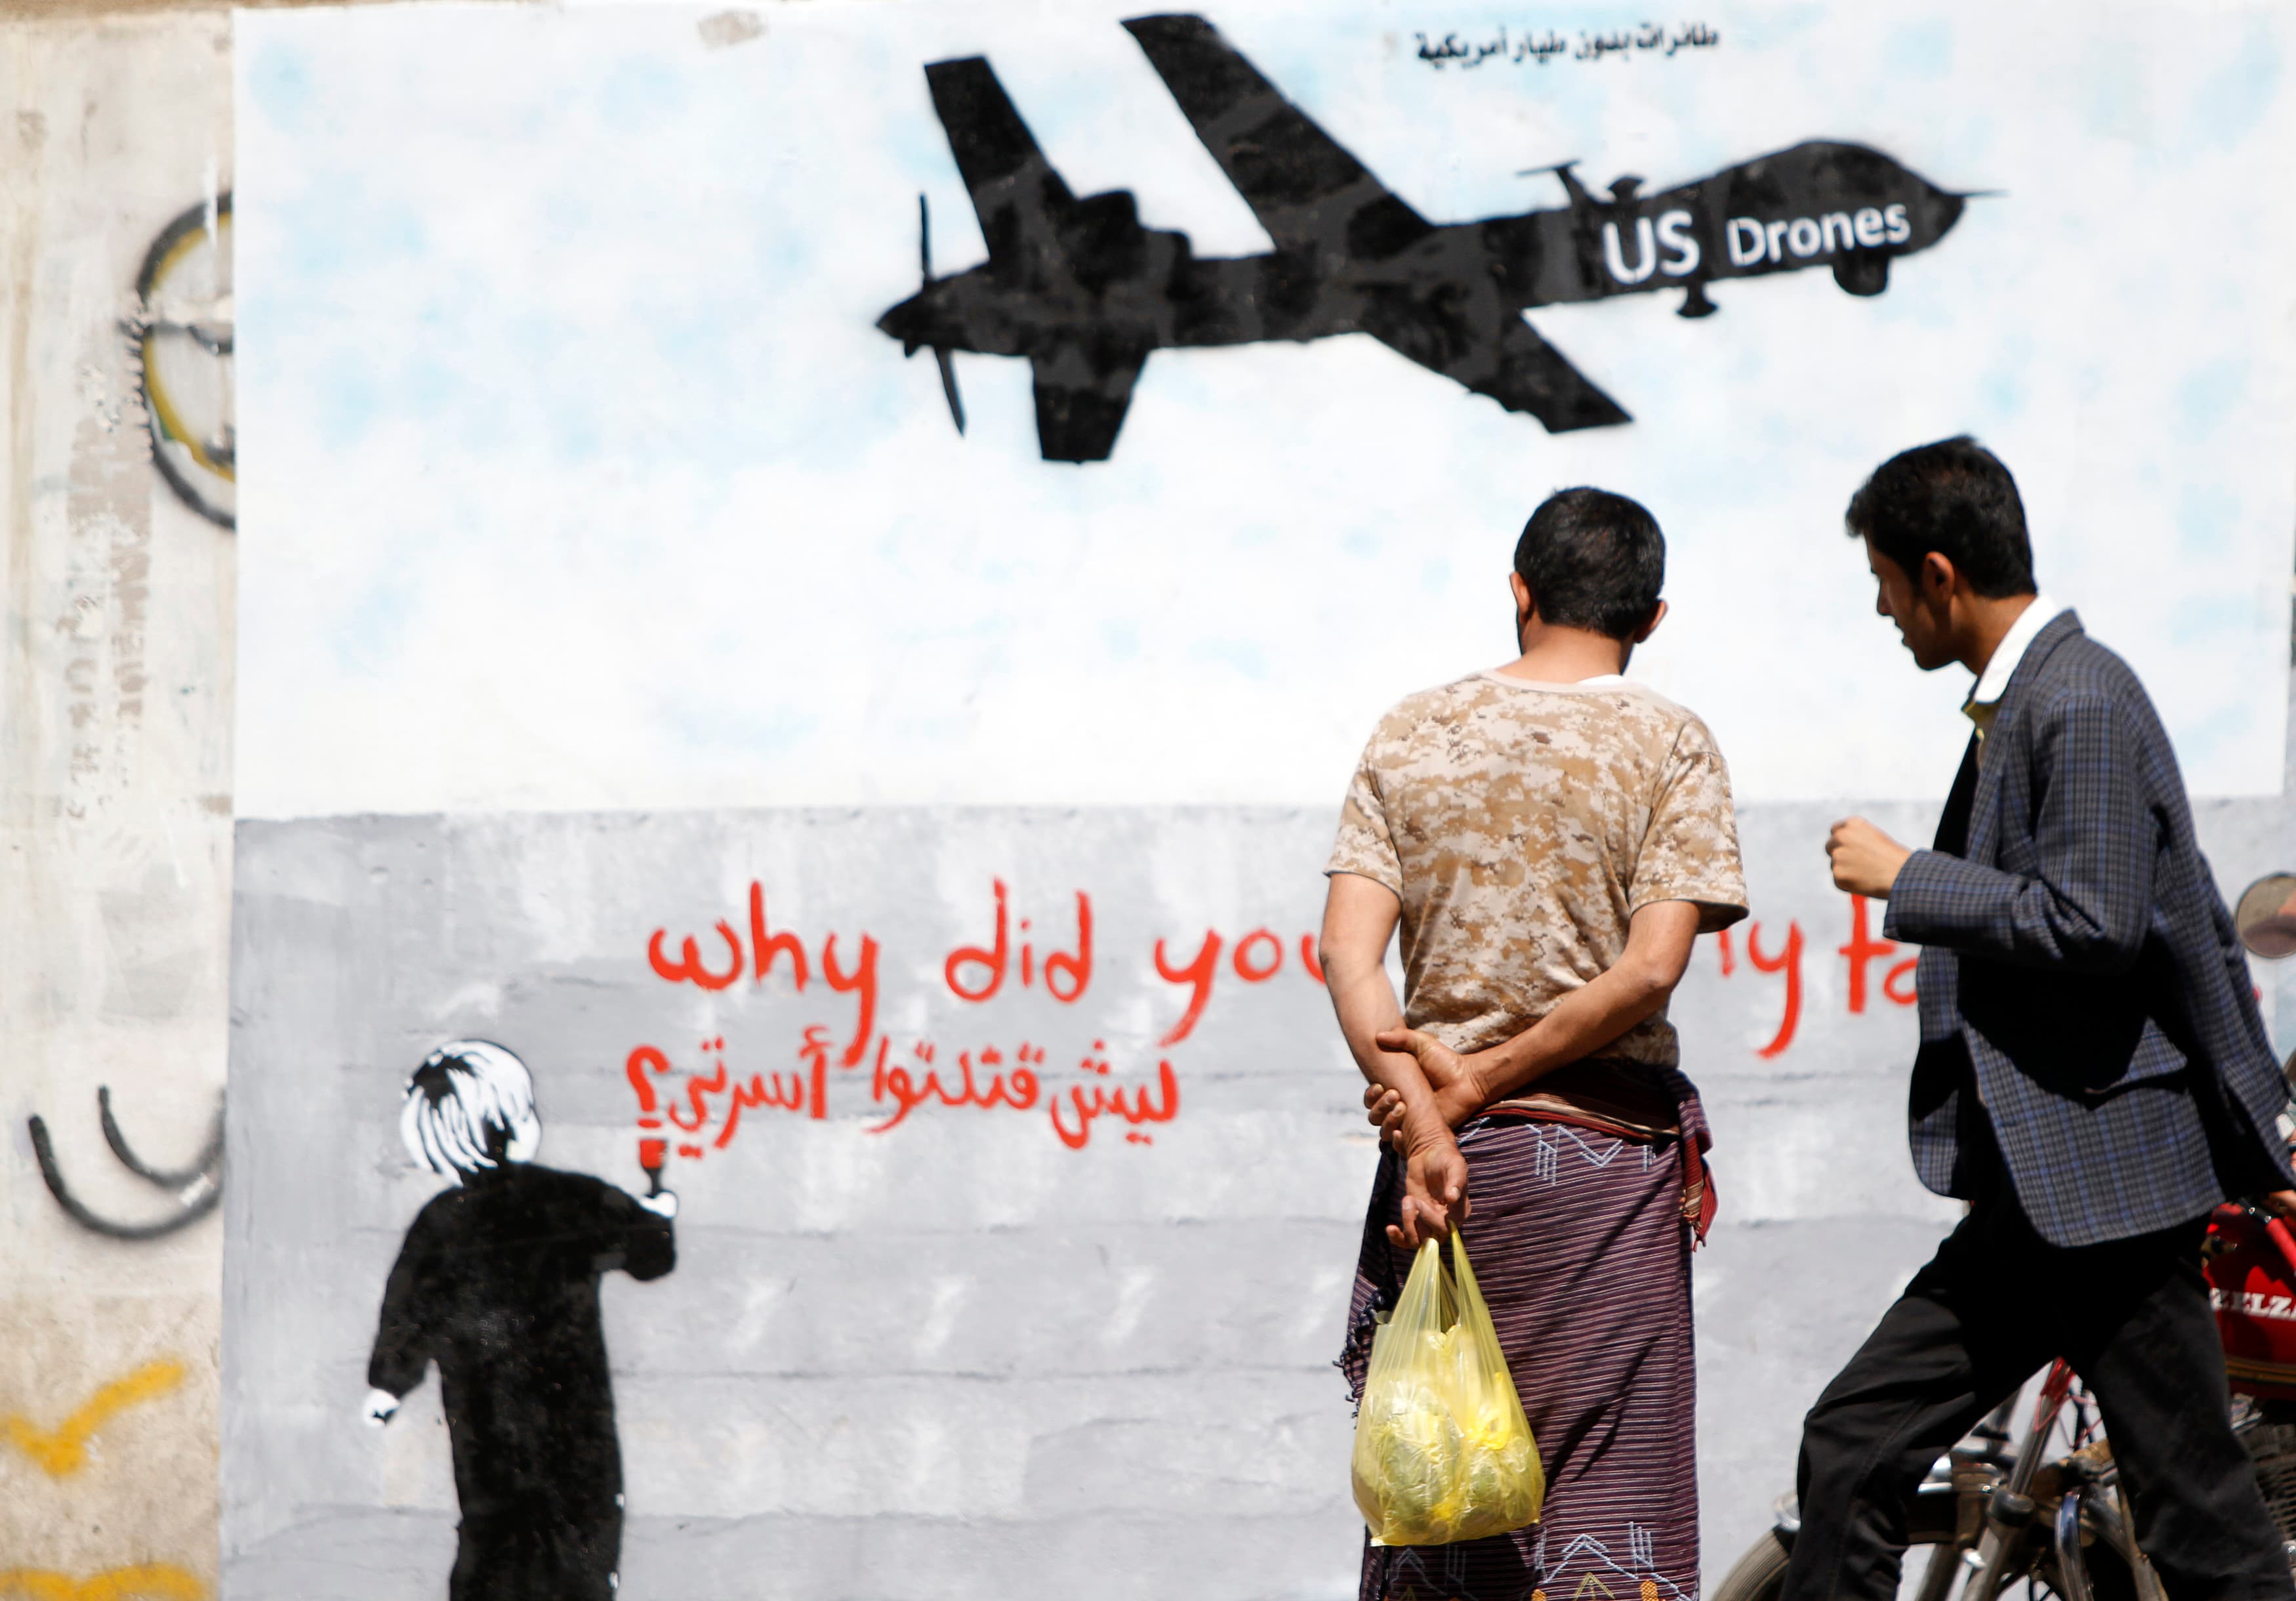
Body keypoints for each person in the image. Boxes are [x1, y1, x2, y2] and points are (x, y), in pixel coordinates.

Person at [1788, 436, 2296, 1601]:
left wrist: (1909, 877)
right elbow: (2198, 927)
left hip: (2111, 1191)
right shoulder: (2036, 698)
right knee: (1853, 1447)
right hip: (2043, 1193)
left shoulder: (2080, 699)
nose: (1884, 614)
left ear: (1938, 575)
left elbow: (2104, 924)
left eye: (1883, 586)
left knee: (2201, 1525)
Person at [1324, 487, 1748, 1601]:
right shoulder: (1670, 742)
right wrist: (1490, 1080)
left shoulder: (1411, 730)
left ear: (1519, 591)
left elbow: (1349, 960)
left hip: (1442, 1184)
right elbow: (1651, 969)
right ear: (1652, 619)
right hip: (1599, 1186)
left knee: (1443, 1489)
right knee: (1605, 1512)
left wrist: (1427, 1116)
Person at [364, 1040, 679, 1601]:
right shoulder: (571, 1200)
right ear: (515, 1121)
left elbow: (409, 1310)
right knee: (581, 1555)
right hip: (574, 1431)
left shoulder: (439, 1223)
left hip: (485, 1435)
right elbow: (650, 1257)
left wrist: (389, 1385)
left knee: (490, 1550)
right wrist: (659, 1212)